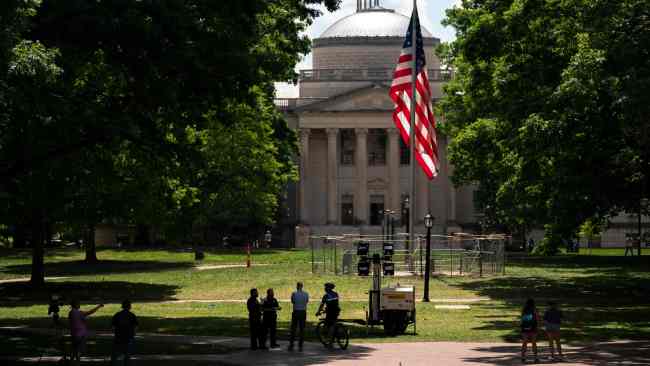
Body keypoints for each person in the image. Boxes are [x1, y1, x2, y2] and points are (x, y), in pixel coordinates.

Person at [68, 300, 103, 365]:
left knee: (74, 349)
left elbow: (74, 322)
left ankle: (72, 362)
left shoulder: (71, 313)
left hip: (74, 333)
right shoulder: (79, 313)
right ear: (76, 305)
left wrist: (84, 319)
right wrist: (98, 306)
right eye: (78, 304)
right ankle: (77, 362)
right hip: (81, 334)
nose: (79, 305)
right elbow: (90, 312)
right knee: (78, 350)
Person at [111, 300, 138, 366]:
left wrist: (116, 332)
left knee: (116, 353)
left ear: (122, 306)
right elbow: (135, 327)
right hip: (128, 336)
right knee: (127, 354)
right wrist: (134, 334)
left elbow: (113, 326)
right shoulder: (132, 315)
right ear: (130, 307)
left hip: (118, 336)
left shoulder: (117, 315)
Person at [316, 282, 340, 347]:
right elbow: (335, 303)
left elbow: (322, 304)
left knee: (328, 326)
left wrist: (318, 312)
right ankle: (334, 337)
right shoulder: (336, 294)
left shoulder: (326, 296)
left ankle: (330, 341)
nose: (325, 288)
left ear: (328, 288)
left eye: (326, 287)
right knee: (334, 323)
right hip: (336, 311)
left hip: (330, 312)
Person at [288, 282, 309, 351]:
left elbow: (293, 301)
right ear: (302, 286)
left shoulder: (294, 294)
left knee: (293, 328)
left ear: (297, 286)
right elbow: (306, 301)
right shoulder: (306, 294)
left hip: (296, 311)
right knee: (302, 329)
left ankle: (291, 344)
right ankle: (300, 345)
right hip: (303, 311)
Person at [520, 298, 540, 363]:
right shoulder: (535, 309)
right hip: (533, 327)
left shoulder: (524, 309)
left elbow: (522, 319)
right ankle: (535, 357)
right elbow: (537, 319)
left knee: (524, 342)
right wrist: (538, 326)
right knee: (534, 342)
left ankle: (523, 357)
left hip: (524, 327)